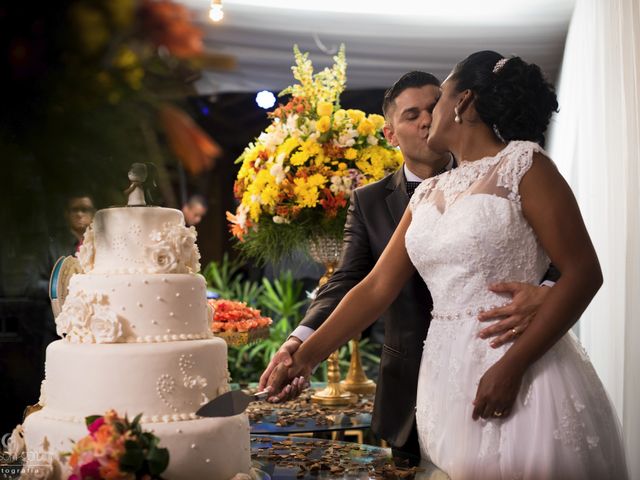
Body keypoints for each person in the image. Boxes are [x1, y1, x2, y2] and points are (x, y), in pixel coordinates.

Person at [265, 52, 628, 479]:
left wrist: (511, 368)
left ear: (463, 102)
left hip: (518, 366)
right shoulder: (427, 194)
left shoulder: (526, 165)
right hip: (442, 380)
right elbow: (375, 287)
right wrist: (304, 357)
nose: (428, 115)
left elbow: (585, 273)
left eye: (438, 100)